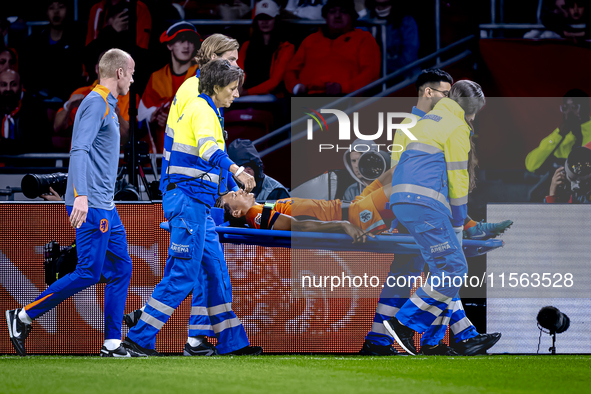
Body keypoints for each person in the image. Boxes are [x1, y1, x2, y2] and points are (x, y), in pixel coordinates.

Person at [123, 59, 263, 357]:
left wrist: (223, 193)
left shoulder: (208, 110)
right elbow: (208, 149)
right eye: (232, 88)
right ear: (216, 87)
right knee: (183, 275)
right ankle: (138, 337)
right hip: (188, 203)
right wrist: (237, 171)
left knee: (213, 271)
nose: (236, 94)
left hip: (193, 202)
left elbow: (202, 162)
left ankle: (231, 343)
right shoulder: (202, 109)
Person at [5, 48, 136, 357]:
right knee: (89, 272)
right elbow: (78, 151)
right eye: (130, 71)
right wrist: (79, 196)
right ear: (119, 72)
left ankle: (112, 343)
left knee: (122, 269)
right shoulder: (95, 103)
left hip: (106, 205)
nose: (132, 77)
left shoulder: (107, 104)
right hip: (92, 205)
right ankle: (22, 316)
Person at [381, 80, 487, 356]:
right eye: (474, 112)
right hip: (426, 203)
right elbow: (458, 178)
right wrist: (459, 220)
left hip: (406, 203)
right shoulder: (457, 127)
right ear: (467, 108)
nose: (474, 118)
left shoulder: (427, 121)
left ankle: (454, 336)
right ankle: (403, 325)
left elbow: (403, 166)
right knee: (453, 270)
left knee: (445, 272)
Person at [284, 0, 380, 96]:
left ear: (352, 16)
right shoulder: (311, 40)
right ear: (325, 16)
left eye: (343, 11)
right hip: (308, 97)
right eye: (332, 11)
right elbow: (290, 71)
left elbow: (371, 74)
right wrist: (295, 87)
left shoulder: (364, 38)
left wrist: (343, 88)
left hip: (347, 98)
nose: (337, 15)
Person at [137, 21, 201, 153]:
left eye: (190, 41)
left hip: (194, 149)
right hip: (161, 148)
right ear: (169, 45)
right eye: (180, 41)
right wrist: (154, 116)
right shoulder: (156, 77)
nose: (186, 46)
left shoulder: (202, 74)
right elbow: (142, 113)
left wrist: (172, 117)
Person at [215, 190, 372, 242]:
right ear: (236, 212)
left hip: (346, 207)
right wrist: (342, 224)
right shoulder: (256, 214)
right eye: (235, 196)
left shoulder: (259, 209)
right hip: (349, 215)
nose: (240, 191)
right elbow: (299, 226)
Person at [53, 52, 132, 147]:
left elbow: (127, 138)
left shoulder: (129, 97)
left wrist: (117, 115)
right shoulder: (80, 93)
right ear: (97, 69)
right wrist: (68, 107)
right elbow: (57, 128)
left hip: (112, 159)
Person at [20, 0, 83, 102]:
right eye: (52, 8)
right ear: (46, 11)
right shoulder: (33, 42)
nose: (56, 12)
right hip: (39, 101)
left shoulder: (78, 41)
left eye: (61, 7)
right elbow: (27, 76)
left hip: (69, 100)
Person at [238, 0, 295, 96]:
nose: (264, 22)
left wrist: (247, 92)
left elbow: (275, 81)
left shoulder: (286, 47)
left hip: (274, 98)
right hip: (245, 96)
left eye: (268, 18)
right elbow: (239, 72)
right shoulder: (246, 45)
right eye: (261, 18)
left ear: (276, 19)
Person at [0, 69, 51, 157]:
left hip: (26, 167)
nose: (8, 89)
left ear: (21, 87)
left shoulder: (35, 109)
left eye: (13, 84)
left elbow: (37, 145)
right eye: (3, 85)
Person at [360, 0, 419, 76]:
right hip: (373, 77)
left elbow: (409, 56)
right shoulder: (364, 21)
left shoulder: (406, 21)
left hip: (403, 76)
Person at [86, 0, 151, 50]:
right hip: (99, 65)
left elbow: (142, 55)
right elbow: (88, 54)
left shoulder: (139, 9)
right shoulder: (96, 9)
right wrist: (110, 30)